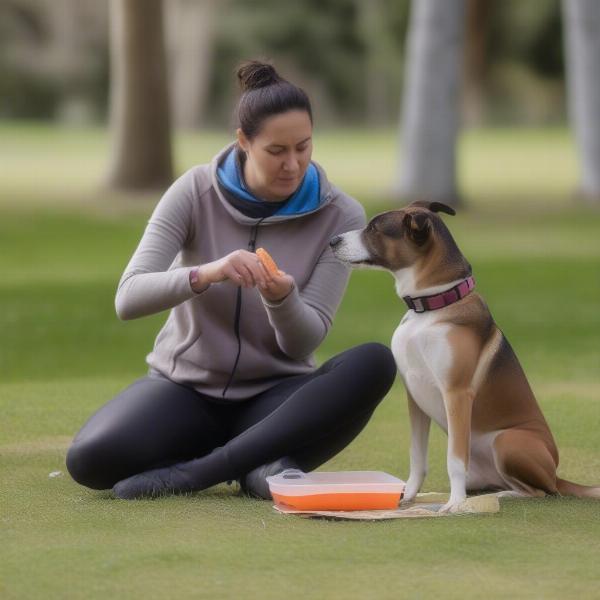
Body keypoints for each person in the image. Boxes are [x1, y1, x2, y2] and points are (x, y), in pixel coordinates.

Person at [65, 60, 397, 500]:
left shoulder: (341, 214)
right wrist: (207, 273)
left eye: (303, 146)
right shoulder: (193, 191)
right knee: (88, 460)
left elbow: (302, 343)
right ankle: (263, 467)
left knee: (374, 361)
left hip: (277, 402)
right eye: (276, 151)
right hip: (184, 392)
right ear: (244, 141)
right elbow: (128, 298)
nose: (293, 165)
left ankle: (195, 474)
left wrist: (283, 299)